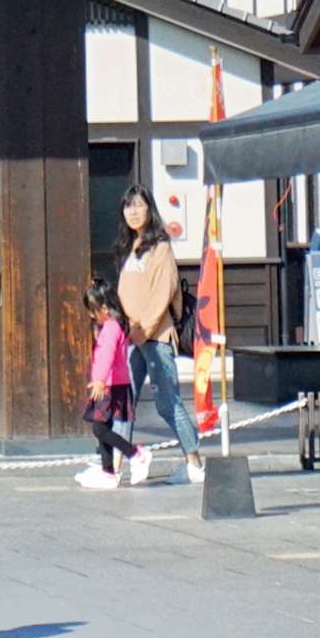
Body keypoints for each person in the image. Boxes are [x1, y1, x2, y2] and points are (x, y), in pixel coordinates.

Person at [112, 196, 193, 473]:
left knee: (168, 403)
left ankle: (194, 462)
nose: (132, 212)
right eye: (127, 206)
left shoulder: (160, 247)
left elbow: (164, 291)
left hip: (156, 337)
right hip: (132, 337)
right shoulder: (130, 247)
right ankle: (113, 467)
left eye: (138, 205)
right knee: (123, 402)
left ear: (150, 209)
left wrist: (143, 328)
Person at [74, 280, 139, 491]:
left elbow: (107, 355)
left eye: (94, 311)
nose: (92, 316)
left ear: (104, 308)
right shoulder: (114, 325)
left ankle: (135, 454)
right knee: (102, 426)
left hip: (109, 384)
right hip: (111, 383)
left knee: (99, 428)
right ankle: (108, 471)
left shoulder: (111, 327)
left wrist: (100, 380)